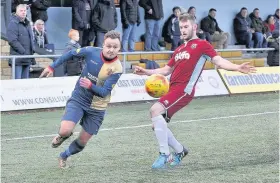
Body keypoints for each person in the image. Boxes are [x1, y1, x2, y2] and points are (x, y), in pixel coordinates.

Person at [133, 13, 256, 169]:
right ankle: (179, 150)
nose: (183, 30)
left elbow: (218, 60)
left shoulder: (202, 45)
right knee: (157, 125)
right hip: (172, 89)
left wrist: (237, 67)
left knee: (155, 110)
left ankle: (165, 154)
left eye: (186, 27)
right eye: (181, 27)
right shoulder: (179, 49)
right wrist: (146, 72)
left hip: (184, 90)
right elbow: (166, 69)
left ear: (194, 27)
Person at [39, 30, 123, 168]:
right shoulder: (91, 51)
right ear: (103, 45)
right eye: (108, 46)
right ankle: (63, 136)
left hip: (98, 107)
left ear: (119, 48)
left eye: (115, 47)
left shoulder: (117, 68)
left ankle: (64, 155)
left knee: (82, 142)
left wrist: (90, 85)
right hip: (79, 98)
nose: (111, 50)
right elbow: (70, 54)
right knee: (64, 130)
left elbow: (104, 92)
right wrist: (51, 66)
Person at [7, 4, 34, 79]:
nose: (23, 12)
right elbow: (12, 40)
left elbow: (31, 39)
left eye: (25, 10)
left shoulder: (27, 23)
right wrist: (24, 52)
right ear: (16, 12)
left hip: (27, 58)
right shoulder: (13, 23)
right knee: (17, 84)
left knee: (25, 85)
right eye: (21, 11)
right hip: (18, 59)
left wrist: (31, 53)